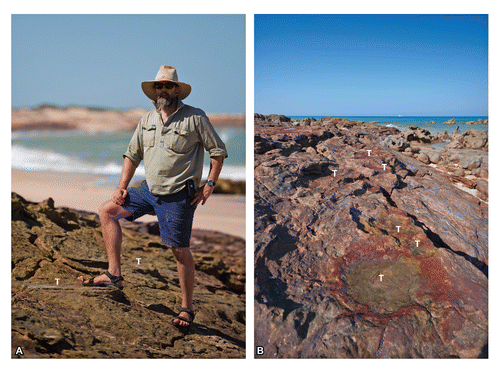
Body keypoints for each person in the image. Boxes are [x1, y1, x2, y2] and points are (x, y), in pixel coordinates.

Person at [84, 65, 228, 331]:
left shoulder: (195, 117)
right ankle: (114, 275)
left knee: (179, 250)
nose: (162, 90)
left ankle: (187, 308)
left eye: (167, 86)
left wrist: (209, 184)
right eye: (158, 86)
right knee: (107, 211)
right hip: (148, 190)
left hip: (177, 196)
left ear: (177, 89)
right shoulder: (147, 120)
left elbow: (217, 152)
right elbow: (132, 155)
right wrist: (121, 186)